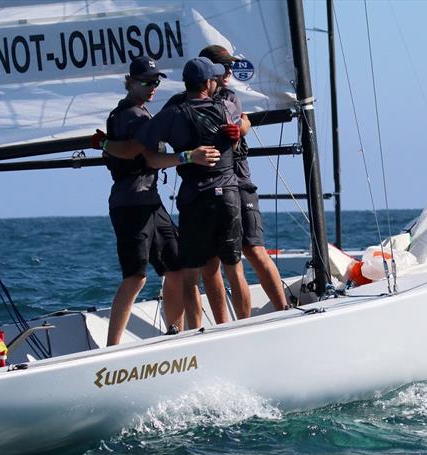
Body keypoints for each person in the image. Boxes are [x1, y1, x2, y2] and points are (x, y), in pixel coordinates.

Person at [133, 56, 252, 329]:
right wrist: (240, 129)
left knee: (191, 276)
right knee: (235, 269)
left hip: (195, 200)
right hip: (229, 198)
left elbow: (147, 153)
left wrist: (184, 157)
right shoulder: (226, 108)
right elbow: (245, 121)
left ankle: (197, 333)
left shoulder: (172, 114)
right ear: (209, 83)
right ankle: (246, 329)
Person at [180, 45, 289, 318]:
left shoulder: (228, 97)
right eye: (223, 66)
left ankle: (284, 311)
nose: (229, 71)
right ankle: (222, 327)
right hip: (211, 191)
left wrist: (243, 126)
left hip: (239, 185)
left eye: (229, 65)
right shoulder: (188, 102)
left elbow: (239, 119)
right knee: (210, 264)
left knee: (254, 250)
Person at [95, 56, 184, 346]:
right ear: (131, 82)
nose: (153, 87)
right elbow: (137, 151)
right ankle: (112, 347)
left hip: (150, 201)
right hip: (131, 202)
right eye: (146, 81)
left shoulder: (135, 113)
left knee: (176, 267)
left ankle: (176, 334)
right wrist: (185, 158)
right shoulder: (133, 115)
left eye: (156, 81)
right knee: (136, 276)